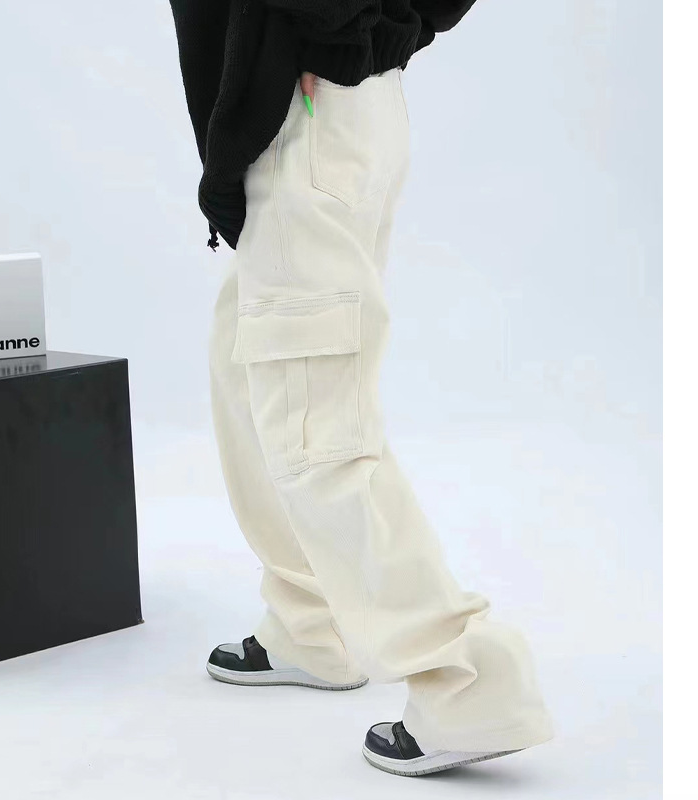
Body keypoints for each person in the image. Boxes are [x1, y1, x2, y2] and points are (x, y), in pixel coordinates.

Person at [168, 0, 554, 777]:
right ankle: (313, 624)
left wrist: (339, 31)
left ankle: (466, 682)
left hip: (309, 111)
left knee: (315, 424)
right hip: (335, 110)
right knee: (246, 363)